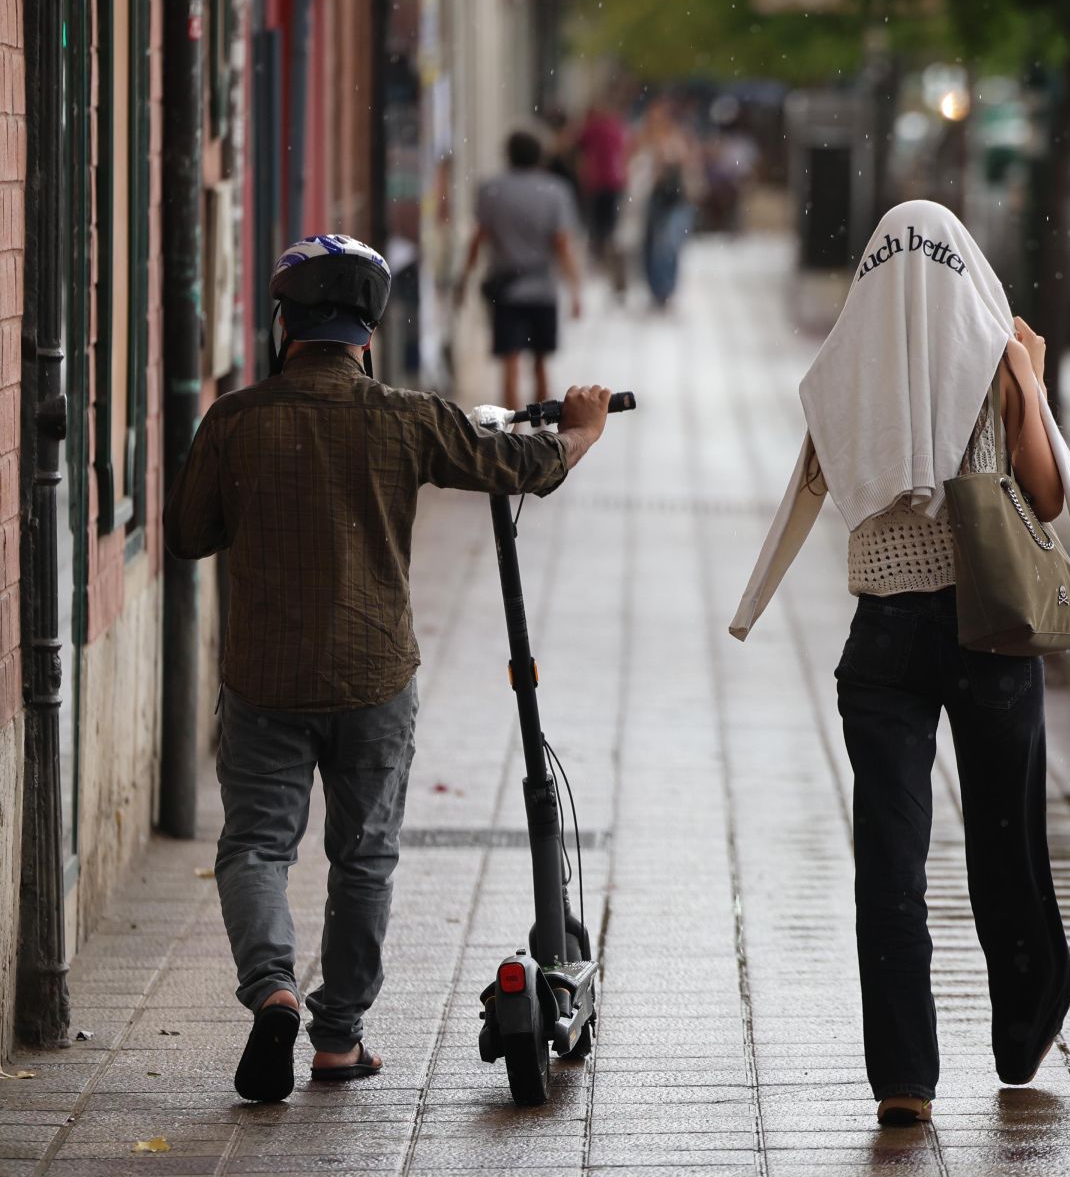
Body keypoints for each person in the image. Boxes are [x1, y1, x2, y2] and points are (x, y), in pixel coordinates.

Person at [165, 234, 614, 1104]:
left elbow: (187, 535)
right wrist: (583, 431)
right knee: (362, 856)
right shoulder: (407, 417)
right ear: (366, 332)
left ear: (284, 324)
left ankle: (273, 991)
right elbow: (517, 465)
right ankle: (338, 1040)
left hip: (264, 676)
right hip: (374, 674)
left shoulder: (234, 421)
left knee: (257, 843)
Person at [730, 200, 1070, 1128]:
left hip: (885, 644)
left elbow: (814, 490)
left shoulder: (845, 369)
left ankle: (905, 1078)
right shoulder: (994, 355)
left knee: (889, 864)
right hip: (992, 628)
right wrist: (1031, 383)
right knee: (1004, 842)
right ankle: (1021, 1029)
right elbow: (1048, 491)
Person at [456, 131, 584, 410]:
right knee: (540, 362)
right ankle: (540, 431)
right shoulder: (555, 190)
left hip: (506, 289)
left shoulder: (491, 189)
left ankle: (514, 434)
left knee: (510, 364)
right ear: (540, 156)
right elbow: (562, 244)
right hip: (542, 289)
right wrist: (575, 290)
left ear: (509, 155)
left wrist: (464, 279)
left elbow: (479, 239)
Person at [631, 100, 704, 309]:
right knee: (652, 244)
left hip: (677, 199)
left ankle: (666, 288)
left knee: (669, 244)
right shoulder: (643, 138)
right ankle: (656, 288)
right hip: (653, 198)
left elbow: (688, 164)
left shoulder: (680, 137)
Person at [575, 99, 631, 296]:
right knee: (610, 225)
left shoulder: (593, 129)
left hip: (596, 181)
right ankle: (607, 256)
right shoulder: (618, 129)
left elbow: (578, 146)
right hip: (613, 182)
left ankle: (599, 257)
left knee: (596, 224)